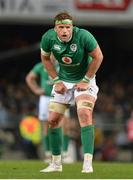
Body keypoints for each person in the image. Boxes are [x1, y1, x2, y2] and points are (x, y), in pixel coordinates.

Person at [40, 11, 103, 173]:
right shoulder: (48, 38)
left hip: (85, 80)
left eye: (68, 27)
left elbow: (98, 57)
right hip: (63, 81)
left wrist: (86, 79)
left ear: (72, 27)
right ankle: (55, 163)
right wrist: (56, 80)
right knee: (53, 120)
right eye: (61, 27)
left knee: (84, 114)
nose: (65, 31)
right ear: (55, 28)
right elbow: (45, 59)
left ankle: (87, 163)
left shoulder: (83, 36)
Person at [26, 60, 73, 163]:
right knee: (46, 126)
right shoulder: (40, 65)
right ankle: (48, 154)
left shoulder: (62, 65)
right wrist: (36, 90)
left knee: (66, 125)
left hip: (61, 97)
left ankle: (65, 154)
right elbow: (29, 78)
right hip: (45, 98)